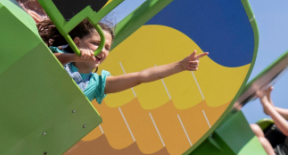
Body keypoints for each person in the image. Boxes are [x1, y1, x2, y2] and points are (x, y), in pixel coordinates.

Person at [37, 18, 209, 103]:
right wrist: (74, 56)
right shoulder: (61, 56)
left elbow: (142, 76)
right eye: (96, 44)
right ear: (77, 42)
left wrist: (180, 65)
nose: (101, 51)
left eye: (107, 48)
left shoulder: (97, 84)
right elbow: (46, 62)